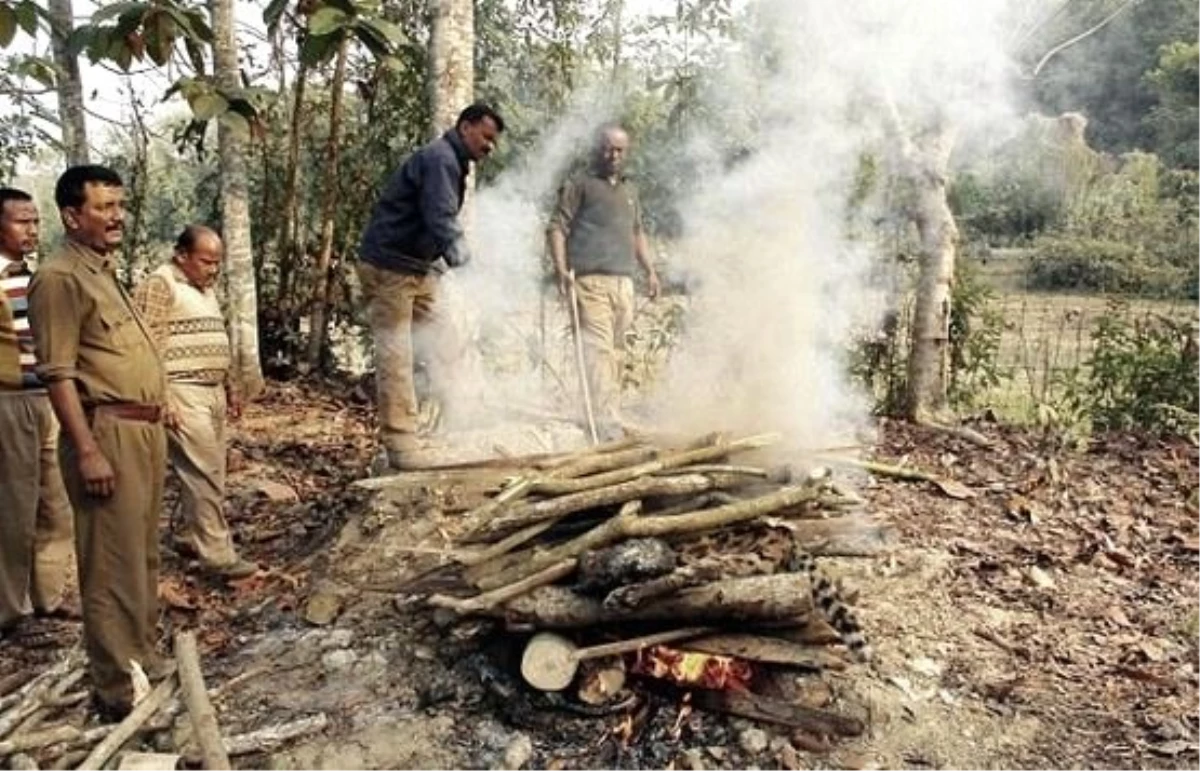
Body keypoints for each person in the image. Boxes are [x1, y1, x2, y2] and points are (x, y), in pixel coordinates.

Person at [27, 165, 170, 720]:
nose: (117, 218)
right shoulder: (60, 277)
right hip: (105, 434)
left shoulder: (100, 271)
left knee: (140, 556)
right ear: (71, 215)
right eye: (104, 208)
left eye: (119, 206)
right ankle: (117, 692)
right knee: (110, 565)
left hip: (143, 430)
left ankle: (143, 660)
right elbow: (58, 373)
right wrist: (86, 449)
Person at [357, 103, 504, 470]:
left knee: (445, 341)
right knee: (397, 354)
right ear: (466, 127)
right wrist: (468, 264)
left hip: (417, 269)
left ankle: (454, 421)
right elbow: (440, 219)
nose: (490, 147)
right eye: (486, 137)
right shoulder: (440, 159)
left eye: (494, 141)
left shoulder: (452, 162)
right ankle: (402, 444)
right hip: (390, 268)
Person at [132, 225, 257, 580]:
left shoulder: (205, 290)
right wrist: (162, 396)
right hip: (182, 391)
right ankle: (217, 557)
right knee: (202, 474)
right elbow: (147, 344)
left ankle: (190, 535)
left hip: (211, 390)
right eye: (206, 261)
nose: (213, 269)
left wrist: (230, 385)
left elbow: (218, 336)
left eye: (217, 263)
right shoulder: (161, 285)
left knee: (213, 469)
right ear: (181, 255)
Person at [548, 124, 660, 437]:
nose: (614, 155)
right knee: (597, 351)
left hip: (623, 283)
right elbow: (557, 227)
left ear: (628, 152)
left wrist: (650, 271)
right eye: (608, 148)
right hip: (589, 282)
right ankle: (604, 422)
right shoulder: (580, 185)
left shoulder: (630, 190)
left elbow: (637, 233)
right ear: (597, 149)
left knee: (616, 351)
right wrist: (560, 269)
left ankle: (608, 414)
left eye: (620, 150)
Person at [0, 187, 76, 642]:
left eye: (34, 221)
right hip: (9, 402)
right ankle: (11, 610)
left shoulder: (34, 277)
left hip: (47, 398)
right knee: (14, 506)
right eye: (21, 221)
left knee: (56, 502)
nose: (31, 229)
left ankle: (49, 595)